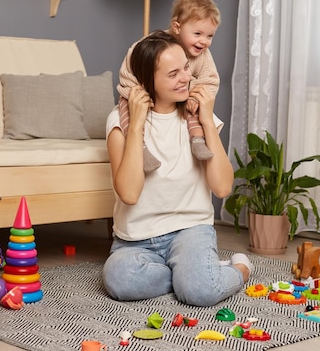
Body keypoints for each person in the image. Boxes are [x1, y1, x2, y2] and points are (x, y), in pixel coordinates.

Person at [102, 30, 253, 307]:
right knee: (120, 281)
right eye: (173, 74)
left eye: (186, 68)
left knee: (201, 292)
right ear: (147, 82)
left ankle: (238, 270)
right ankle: (193, 273)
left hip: (190, 231)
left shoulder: (198, 117)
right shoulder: (120, 123)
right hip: (136, 241)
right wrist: (136, 125)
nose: (186, 78)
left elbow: (222, 187)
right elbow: (129, 194)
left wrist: (207, 119)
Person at [117, 0, 221, 173]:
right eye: (197, 34)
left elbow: (210, 80)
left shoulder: (203, 55)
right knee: (126, 111)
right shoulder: (152, 45)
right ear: (177, 27)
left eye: (210, 36)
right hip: (138, 90)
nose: (204, 41)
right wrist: (138, 93)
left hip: (179, 96)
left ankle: (197, 139)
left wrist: (195, 96)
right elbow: (128, 71)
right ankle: (140, 147)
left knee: (193, 106)